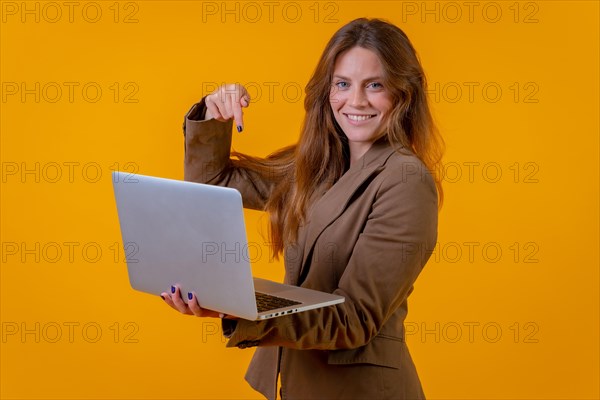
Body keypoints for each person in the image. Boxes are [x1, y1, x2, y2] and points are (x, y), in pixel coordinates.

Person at [161, 17, 444, 400]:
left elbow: (354, 319)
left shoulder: (406, 181)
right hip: (299, 383)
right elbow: (213, 185)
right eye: (342, 84)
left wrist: (237, 306)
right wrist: (215, 117)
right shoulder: (317, 165)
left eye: (374, 85)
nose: (356, 101)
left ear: (402, 94)